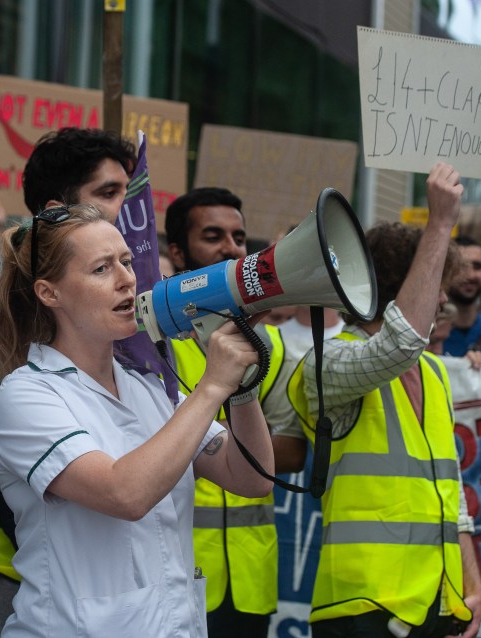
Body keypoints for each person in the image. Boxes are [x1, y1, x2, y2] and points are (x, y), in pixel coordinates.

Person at [0, 203, 273, 636]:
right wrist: (213, 387)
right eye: (101, 269)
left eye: (125, 261)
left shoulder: (150, 389)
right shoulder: (25, 395)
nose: (127, 279)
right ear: (49, 293)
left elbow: (252, 477)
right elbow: (125, 494)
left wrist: (244, 385)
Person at [293, 163, 481, 638]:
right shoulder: (327, 363)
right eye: (436, 279)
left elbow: (451, 494)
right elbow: (397, 346)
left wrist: (471, 584)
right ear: (403, 285)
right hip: (361, 607)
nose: (443, 299)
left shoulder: (436, 372)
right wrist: (439, 223)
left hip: (435, 603)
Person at [0, 126, 138, 638]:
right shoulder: (5, 323)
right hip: (14, 566)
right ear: (56, 211)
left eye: (129, 191)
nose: (125, 207)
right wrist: (55, 546)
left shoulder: (134, 315)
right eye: (108, 194)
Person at [164, 186, 305, 637]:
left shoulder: (276, 348)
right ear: (178, 253)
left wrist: (207, 437)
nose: (231, 248)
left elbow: (294, 452)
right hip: (175, 573)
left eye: (239, 238)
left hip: (250, 577)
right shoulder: (151, 348)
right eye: (213, 236)